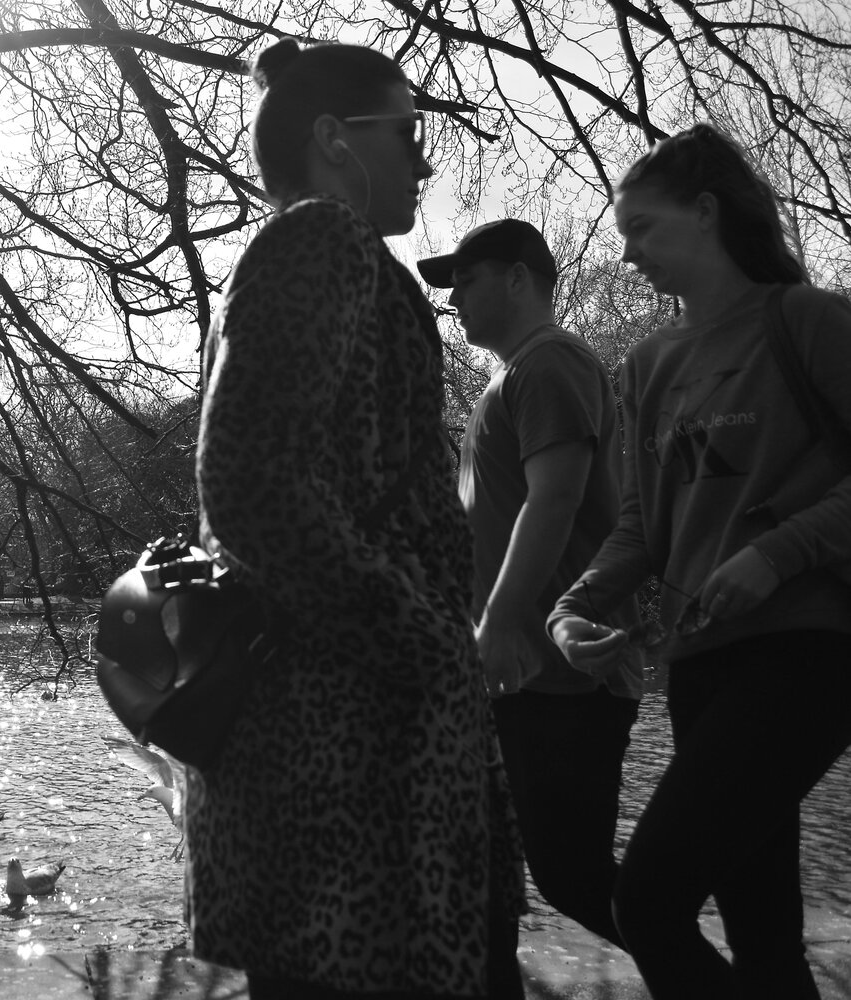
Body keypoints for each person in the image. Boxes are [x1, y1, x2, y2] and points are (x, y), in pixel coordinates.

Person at [192, 38, 525, 999]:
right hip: (352, 763)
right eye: (408, 131)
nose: (424, 157)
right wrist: (415, 635)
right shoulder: (321, 241)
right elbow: (249, 481)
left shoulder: (337, 259)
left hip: (354, 752)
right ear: (337, 140)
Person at [548, 123, 851, 999]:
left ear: (707, 212)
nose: (628, 252)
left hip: (806, 655)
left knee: (647, 902)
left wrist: (780, 553)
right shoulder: (648, 363)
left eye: (641, 228)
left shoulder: (807, 322)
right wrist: (574, 607)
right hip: (698, 664)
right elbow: (645, 525)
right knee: (764, 938)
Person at [417, 220, 643, 949]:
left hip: (567, 673)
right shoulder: (510, 379)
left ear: (519, 277)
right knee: (529, 879)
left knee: (570, 873)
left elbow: (557, 499)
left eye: (468, 279)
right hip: (522, 675)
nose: (454, 300)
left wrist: (503, 622)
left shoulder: (551, 364)